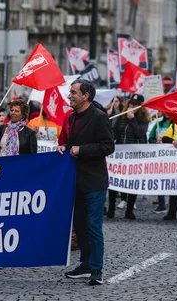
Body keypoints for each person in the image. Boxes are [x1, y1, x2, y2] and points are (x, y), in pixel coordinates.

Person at [59, 79, 114, 286]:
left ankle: (96, 268)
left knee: (93, 227)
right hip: (77, 181)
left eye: (73, 92)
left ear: (86, 96)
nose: (69, 95)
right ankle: (85, 264)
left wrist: (81, 150)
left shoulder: (100, 117)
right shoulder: (73, 117)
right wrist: (64, 147)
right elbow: (72, 144)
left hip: (94, 182)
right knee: (80, 227)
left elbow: (108, 146)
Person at [107, 94, 150, 220]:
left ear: (140, 106)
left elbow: (140, 133)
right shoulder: (121, 116)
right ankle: (111, 208)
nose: (132, 106)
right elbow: (114, 132)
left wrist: (132, 120)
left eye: (135, 104)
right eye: (130, 104)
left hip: (134, 155)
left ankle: (129, 210)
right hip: (120, 154)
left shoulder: (143, 119)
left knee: (133, 182)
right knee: (115, 180)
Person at [148, 112, 177, 214]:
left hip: (173, 157)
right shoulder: (158, 124)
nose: (167, 114)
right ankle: (162, 204)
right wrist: (155, 141)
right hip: (160, 157)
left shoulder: (175, 125)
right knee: (160, 179)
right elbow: (150, 138)